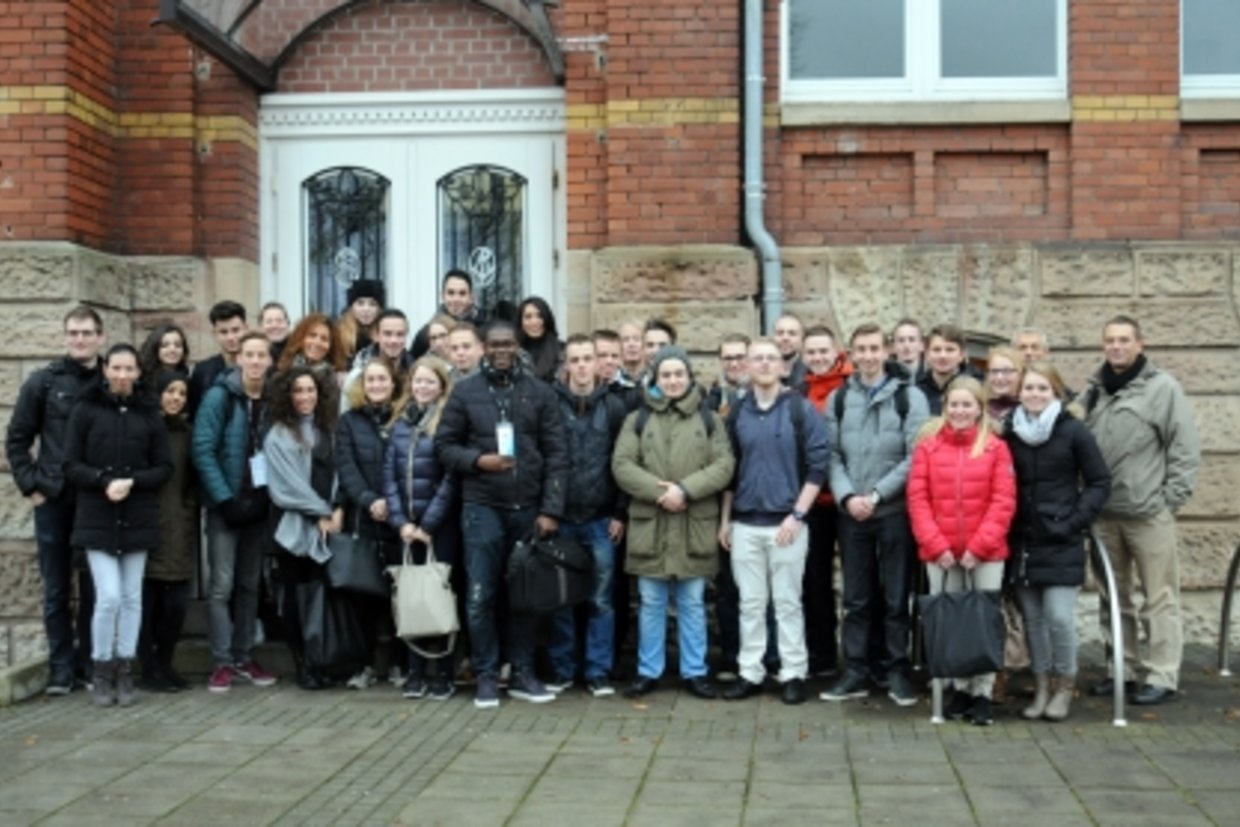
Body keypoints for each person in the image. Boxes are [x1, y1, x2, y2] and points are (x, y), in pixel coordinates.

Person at [434, 319, 569, 708]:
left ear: (518, 347)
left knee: (524, 596)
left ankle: (524, 672)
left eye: (508, 344)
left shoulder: (540, 394)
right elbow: (444, 447)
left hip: (528, 510)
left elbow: (558, 456)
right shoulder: (465, 393)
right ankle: (487, 675)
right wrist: (480, 461)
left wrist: (550, 509)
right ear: (483, 349)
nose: (501, 351)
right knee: (480, 595)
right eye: (493, 345)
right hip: (482, 508)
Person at [1083, 315, 1200, 706]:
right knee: (1113, 597)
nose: (1116, 347)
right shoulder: (1093, 391)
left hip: (1149, 514)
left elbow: (1183, 448)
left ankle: (1162, 674)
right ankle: (1124, 669)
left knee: (1159, 597)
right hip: (1104, 514)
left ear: (1139, 344)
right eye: (1110, 341)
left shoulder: (1162, 389)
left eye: (1123, 340)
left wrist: (1170, 501)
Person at [612, 346, 734, 701]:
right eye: (665, 375)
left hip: (693, 520)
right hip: (652, 523)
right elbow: (622, 464)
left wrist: (685, 490)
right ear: (656, 379)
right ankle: (648, 671)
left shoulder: (709, 418)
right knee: (650, 601)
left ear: (689, 376)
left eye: (678, 374)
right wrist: (659, 492)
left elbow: (724, 465)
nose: (673, 381)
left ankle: (694, 671)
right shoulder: (637, 418)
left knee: (692, 601)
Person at [821, 324, 928, 707]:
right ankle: (856, 670)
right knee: (856, 597)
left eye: (873, 349)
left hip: (894, 510)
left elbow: (915, 456)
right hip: (853, 514)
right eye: (860, 350)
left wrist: (878, 494)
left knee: (896, 595)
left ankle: (896, 670)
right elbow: (831, 455)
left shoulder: (910, 398)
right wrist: (849, 496)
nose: (867, 356)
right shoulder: (837, 400)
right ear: (851, 354)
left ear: (886, 352)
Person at [719, 338, 829, 705]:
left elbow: (818, 466)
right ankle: (750, 672)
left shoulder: (800, 409)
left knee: (787, 602)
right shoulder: (737, 412)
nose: (765, 365)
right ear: (747, 366)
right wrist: (726, 521)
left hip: (787, 523)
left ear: (784, 366)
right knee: (750, 603)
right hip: (746, 523)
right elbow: (730, 473)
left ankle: (793, 672)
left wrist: (798, 515)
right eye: (758, 359)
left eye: (772, 359)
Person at [64, 344, 172, 707]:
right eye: (117, 368)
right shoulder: (85, 409)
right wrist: (101, 480)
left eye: (129, 369)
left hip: (137, 515)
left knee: (131, 598)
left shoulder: (149, 414)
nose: (123, 375)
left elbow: (163, 467)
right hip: (96, 516)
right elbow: (70, 464)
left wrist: (134, 482)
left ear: (139, 372)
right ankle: (100, 667)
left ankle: (125, 668)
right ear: (106, 370)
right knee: (107, 596)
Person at [5, 304, 105, 694]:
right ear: (66, 337)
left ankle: (89, 664)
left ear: (100, 336)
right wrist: (31, 486)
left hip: (95, 500)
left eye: (86, 332)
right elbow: (17, 439)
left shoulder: (110, 380)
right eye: (73, 333)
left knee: (95, 587)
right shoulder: (43, 382)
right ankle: (61, 668)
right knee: (57, 589)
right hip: (54, 498)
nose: (79, 339)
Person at [907, 377, 1017, 726]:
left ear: (980, 408)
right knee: (949, 623)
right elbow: (917, 500)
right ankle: (956, 688)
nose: (959, 411)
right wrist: (936, 545)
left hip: (985, 552)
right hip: (940, 553)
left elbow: (1003, 501)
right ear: (945, 407)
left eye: (967, 404)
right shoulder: (928, 447)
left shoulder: (996, 448)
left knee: (982, 621)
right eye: (954, 404)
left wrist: (978, 547)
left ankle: (982, 692)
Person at [1004, 361, 1110, 721]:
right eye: (1029, 388)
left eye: (1042, 388)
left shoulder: (1073, 432)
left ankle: (1065, 685)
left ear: (1056, 393)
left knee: (1059, 618)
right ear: (1019, 393)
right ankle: (1042, 686)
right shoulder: (1010, 432)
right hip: (1023, 542)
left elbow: (1099, 482)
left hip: (1060, 539)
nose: (1034, 394)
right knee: (1033, 619)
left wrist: (1074, 522)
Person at [192, 331, 279, 693]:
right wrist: (223, 499)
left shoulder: (274, 399)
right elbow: (202, 448)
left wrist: (266, 497)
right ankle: (222, 660)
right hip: (225, 506)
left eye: (262, 355)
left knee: (249, 584)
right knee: (221, 586)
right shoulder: (219, 396)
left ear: (270, 360)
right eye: (250, 355)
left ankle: (244, 655)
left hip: (258, 505)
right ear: (239, 358)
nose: (256, 361)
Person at [546, 335, 630, 697]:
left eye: (588, 359)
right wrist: (546, 510)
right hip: (560, 517)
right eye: (575, 359)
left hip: (600, 518)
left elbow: (625, 462)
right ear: (566, 364)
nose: (581, 366)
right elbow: (542, 458)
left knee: (601, 599)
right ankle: (563, 669)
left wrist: (620, 512)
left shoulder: (613, 407)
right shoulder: (550, 404)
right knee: (561, 599)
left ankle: (598, 671)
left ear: (599, 364)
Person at [385, 356, 461, 700]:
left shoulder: (449, 423)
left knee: (440, 596)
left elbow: (450, 479)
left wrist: (428, 524)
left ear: (442, 386)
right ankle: (416, 672)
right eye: (418, 381)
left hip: (439, 526)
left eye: (430, 381)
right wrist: (401, 522)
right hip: (407, 527)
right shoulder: (400, 423)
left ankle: (443, 673)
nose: (423, 387)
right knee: (413, 598)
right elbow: (388, 476)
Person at [265, 366, 346, 690]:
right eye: (297, 391)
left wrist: (338, 508)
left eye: (310, 390)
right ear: (287, 395)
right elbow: (286, 488)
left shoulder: (332, 428)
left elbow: (342, 470)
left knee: (323, 600)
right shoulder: (278, 435)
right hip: (295, 531)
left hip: (330, 525)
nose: (305, 397)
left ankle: (325, 661)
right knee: (297, 603)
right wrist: (322, 513)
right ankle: (304, 665)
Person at [335, 358, 402, 690]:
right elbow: (346, 467)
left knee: (399, 597)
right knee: (363, 599)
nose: (376, 385)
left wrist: (394, 503)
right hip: (364, 518)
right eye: (371, 379)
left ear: (393, 383)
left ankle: (398, 665)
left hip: (399, 520)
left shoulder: (404, 418)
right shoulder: (348, 422)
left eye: (382, 379)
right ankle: (362, 665)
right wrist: (368, 499)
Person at [138, 370, 197, 693]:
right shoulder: (144, 427)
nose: (175, 398)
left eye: (181, 393)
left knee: (175, 606)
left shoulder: (187, 432)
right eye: (169, 391)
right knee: (148, 604)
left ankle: (167, 663)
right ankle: (149, 667)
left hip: (181, 525)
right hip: (149, 525)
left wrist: (190, 505)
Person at [798, 324, 852, 677]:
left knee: (858, 584)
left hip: (848, 499)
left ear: (836, 351)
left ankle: (861, 657)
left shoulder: (851, 389)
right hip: (812, 501)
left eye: (823, 351)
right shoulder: (798, 391)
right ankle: (821, 656)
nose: (818, 358)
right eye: (812, 352)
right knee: (813, 582)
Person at [703, 333, 750, 679]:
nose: (734, 363)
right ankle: (732, 656)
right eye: (728, 357)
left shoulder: (768, 400)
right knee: (727, 588)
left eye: (740, 357)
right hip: (721, 505)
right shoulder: (710, 401)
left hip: (759, 503)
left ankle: (763, 658)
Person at [340, 309, 414, 408]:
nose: (394, 340)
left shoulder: (415, 374)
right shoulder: (357, 376)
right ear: (377, 336)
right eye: (387, 334)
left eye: (400, 334)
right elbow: (345, 417)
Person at [188, 300, 247, 420]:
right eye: (224, 332)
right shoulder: (202, 371)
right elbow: (195, 416)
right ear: (214, 333)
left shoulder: (258, 366)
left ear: (246, 328)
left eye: (236, 330)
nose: (231, 337)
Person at [411, 270, 486, 359]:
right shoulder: (428, 332)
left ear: (471, 298)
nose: (456, 299)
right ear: (442, 296)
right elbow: (411, 362)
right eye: (451, 293)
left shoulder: (483, 327)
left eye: (462, 294)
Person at [916, 324, 982, 416]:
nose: (943, 356)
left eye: (950, 350)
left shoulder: (978, 388)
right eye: (936, 350)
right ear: (926, 354)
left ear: (962, 355)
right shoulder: (916, 390)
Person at [336, 278, 385, 364]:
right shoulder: (339, 335)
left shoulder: (385, 335)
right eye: (360, 303)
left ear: (379, 309)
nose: (366, 309)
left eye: (372, 304)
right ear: (351, 307)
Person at [517, 296, 563, 383]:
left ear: (547, 319)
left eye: (539, 316)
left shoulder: (561, 351)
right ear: (520, 322)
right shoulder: (513, 352)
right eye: (528, 317)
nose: (534, 322)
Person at [984, 346, 1022, 428]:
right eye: (994, 371)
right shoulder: (980, 408)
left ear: (1020, 374)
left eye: (1007, 371)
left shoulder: (1030, 409)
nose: (999, 377)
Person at [773, 312, 807, 388]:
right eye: (780, 333)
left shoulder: (810, 370)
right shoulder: (760, 368)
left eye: (792, 333)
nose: (785, 338)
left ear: (802, 338)